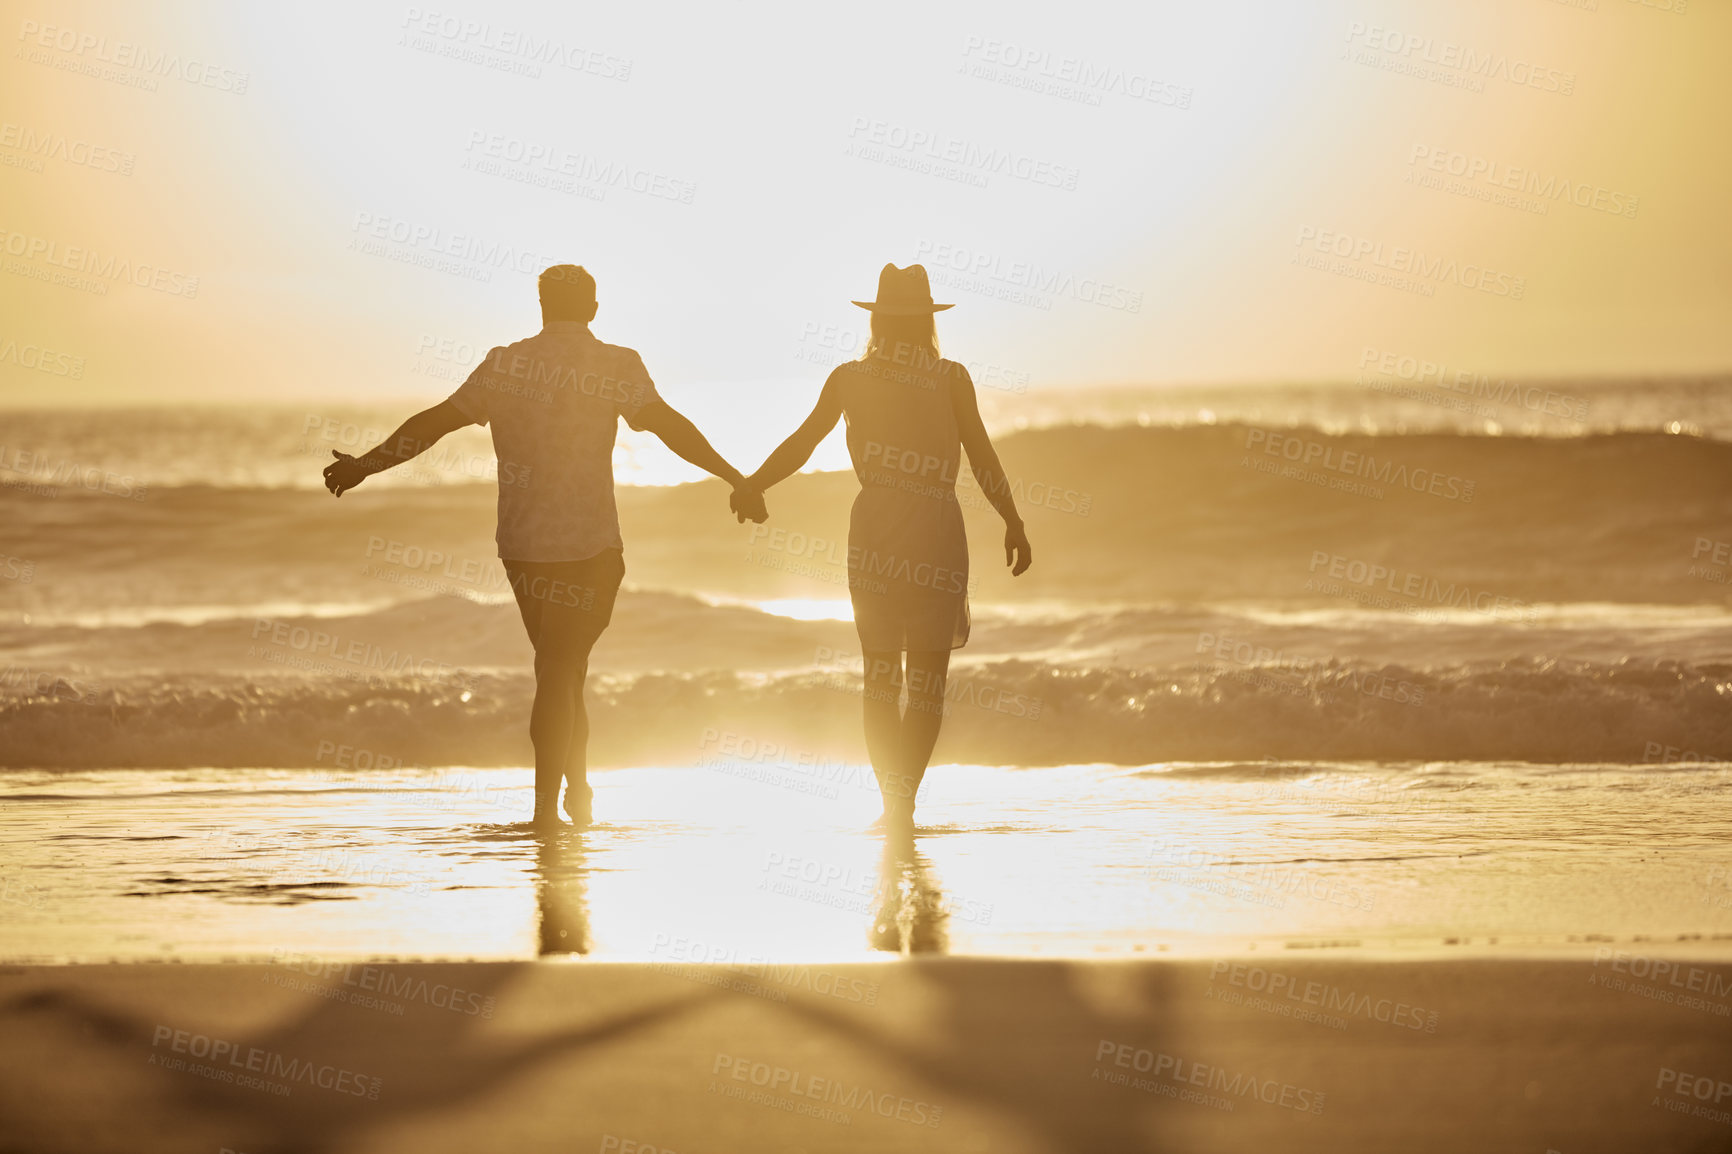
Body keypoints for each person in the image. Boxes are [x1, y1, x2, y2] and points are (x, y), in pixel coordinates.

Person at [323, 264, 764, 828]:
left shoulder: (505, 364)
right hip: (593, 546)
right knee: (562, 669)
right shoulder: (615, 363)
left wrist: (366, 465)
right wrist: (734, 477)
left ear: (540, 305)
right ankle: (549, 811)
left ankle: (570, 793)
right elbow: (666, 426)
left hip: (524, 546)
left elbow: (434, 423)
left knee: (559, 670)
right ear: (595, 307)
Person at [733, 263, 1031, 831]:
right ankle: (903, 804)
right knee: (926, 681)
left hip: (874, 526)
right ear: (925, 322)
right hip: (935, 526)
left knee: (880, 676)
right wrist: (1011, 520)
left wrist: (755, 483)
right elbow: (982, 457)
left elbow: (803, 443)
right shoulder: (950, 377)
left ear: (878, 320)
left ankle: (894, 804)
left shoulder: (850, 378)